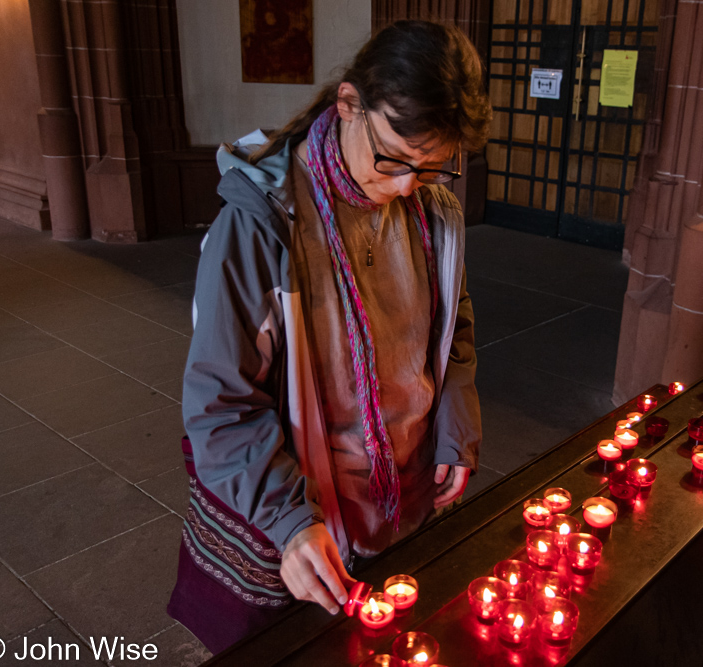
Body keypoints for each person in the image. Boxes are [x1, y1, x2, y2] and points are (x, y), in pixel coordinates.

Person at [166, 20, 491, 654]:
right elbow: (221, 407)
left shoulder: (434, 214)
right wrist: (287, 520)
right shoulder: (260, 229)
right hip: (308, 511)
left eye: (430, 170)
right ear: (348, 104)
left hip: (405, 496)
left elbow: (453, 329)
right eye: (394, 158)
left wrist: (455, 423)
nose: (402, 188)